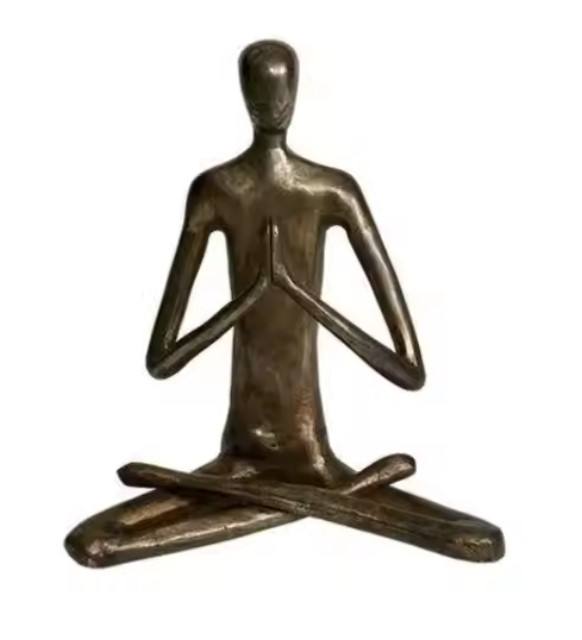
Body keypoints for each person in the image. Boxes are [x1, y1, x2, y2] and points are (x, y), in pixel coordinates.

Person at [65, 40, 502, 567]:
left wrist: (302, 295)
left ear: (295, 92)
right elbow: (162, 360)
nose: (272, 105)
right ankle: (312, 503)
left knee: (479, 539)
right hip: (238, 460)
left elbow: (409, 371)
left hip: (315, 459)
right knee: (94, 543)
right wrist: (247, 300)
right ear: (243, 95)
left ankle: (309, 497)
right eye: (261, 93)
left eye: (281, 92)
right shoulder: (215, 189)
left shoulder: (333, 191)